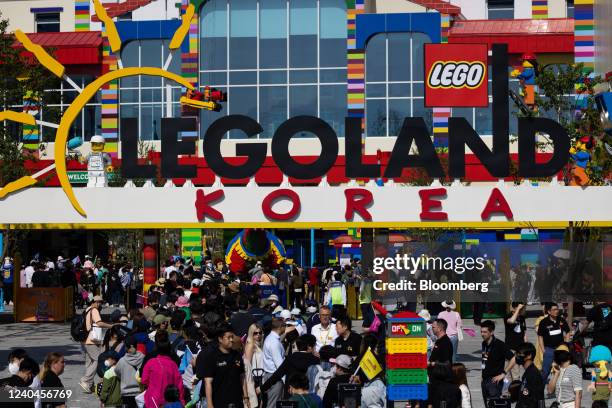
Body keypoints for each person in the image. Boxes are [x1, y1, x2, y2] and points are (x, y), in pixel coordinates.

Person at [201, 323, 249, 408]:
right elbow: (208, 382)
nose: (231, 340)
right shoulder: (212, 357)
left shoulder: (237, 355)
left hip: (236, 401)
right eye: (228, 337)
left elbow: (242, 377)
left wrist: (246, 397)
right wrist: (210, 404)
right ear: (220, 339)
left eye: (232, 337)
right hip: (219, 402)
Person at [80, 295, 115, 394]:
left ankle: (89, 384)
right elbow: (99, 323)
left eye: (101, 302)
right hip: (92, 340)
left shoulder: (87, 309)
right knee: (97, 360)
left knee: (90, 362)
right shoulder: (94, 310)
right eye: (98, 302)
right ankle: (86, 380)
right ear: (93, 302)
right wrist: (110, 325)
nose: (100, 304)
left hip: (86, 339)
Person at [141, 330, 185, 408]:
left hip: (152, 400)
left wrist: (153, 385)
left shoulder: (150, 362)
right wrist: (181, 401)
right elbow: (179, 385)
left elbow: (144, 380)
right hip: (169, 402)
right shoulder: (173, 364)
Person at [479, 320, 516, 404]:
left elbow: (513, 358)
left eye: (485, 332)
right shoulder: (484, 344)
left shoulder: (500, 345)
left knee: (494, 404)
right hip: (485, 380)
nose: (482, 334)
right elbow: (485, 358)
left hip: (494, 381)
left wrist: (503, 374)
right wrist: (482, 375)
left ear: (491, 332)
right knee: (487, 404)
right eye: (481, 332)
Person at [537, 302, 570, 382]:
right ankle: (539, 388)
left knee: (563, 370)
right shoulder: (543, 322)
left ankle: (559, 388)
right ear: (548, 311)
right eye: (554, 309)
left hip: (561, 349)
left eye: (557, 309)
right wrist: (543, 350)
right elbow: (540, 336)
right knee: (545, 372)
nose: (557, 311)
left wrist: (566, 344)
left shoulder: (561, 320)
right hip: (549, 350)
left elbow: (568, 331)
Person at [114, 335, 145, 408]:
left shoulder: (122, 361)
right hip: (139, 393)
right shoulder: (143, 358)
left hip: (126, 393)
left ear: (127, 347)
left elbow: (117, 372)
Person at [262, 317, 286, 407]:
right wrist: (285, 380)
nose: (286, 328)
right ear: (280, 327)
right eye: (285, 326)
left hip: (271, 376)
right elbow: (279, 364)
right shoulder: (274, 342)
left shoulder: (270, 338)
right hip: (275, 377)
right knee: (273, 404)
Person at [514, 342, 545, 408]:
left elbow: (538, 400)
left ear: (529, 356)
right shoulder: (527, 373)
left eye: (519, 354)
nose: (517, 356)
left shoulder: (533, 374)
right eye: (516, 353)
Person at [505, 302, 527, 381]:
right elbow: (511, 321)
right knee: (515, 372)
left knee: (512, 372)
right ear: (514, 308)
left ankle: (510, 390)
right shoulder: (507, 316)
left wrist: (526, 345)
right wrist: (517, 309)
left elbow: (524, 332)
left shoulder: (522, 318)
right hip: (511, 348)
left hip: (520, 348)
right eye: (520, 309)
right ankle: (515, 390)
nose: (522, 311)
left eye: (522, 309)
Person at [244, 323, 264, 408]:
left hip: (260, 377)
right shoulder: (250, 345)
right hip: (254, 378)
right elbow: (247, 365)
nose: (258, 335)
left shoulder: (259, 345)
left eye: (260, 333)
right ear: (251, 334)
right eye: (255, 333)